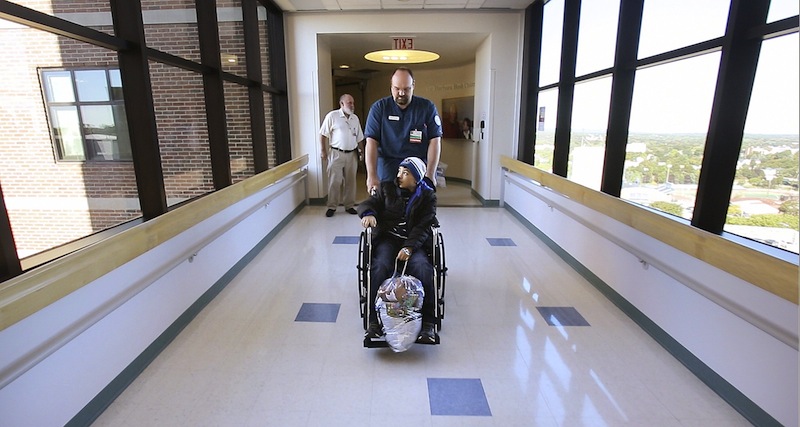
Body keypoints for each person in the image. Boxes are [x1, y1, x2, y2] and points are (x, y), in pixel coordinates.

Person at [357, 156, 437, 344]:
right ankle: (374, 322)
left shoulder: (427, 196)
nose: (399, 176)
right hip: (388, 239)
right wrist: (368, 214)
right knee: (380, 266)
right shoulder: (387, 188)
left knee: (423, 268)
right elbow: (369, 203)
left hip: (413, 242)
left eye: (405, 173)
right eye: (399, 171)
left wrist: (409, 247)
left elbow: (424, 226)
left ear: (416, 179)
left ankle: (428, 323)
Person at [364, 67, 442, 195]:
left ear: (413, 85)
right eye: (397, 89)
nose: (401, 93)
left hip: (416, 167)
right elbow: (371, 142)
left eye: (406, 89)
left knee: (417, 208)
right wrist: (371, 175)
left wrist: (430, 174)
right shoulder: (379, 108)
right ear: (391, 86)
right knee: (388, 207)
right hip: (388, 167)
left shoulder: (426, 107)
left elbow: (435, 140)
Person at [319, 94, 365, 217]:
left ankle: (349, 205)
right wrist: (323, 151)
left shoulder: (355, 118)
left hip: (352, 154)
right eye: (349, 103)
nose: (352, 105)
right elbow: (323, 134)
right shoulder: (332, 116)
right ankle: (332, 206)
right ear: (342, 104)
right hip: (336, 154)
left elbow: (360, 137)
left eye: (353, 103)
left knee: (351, 182)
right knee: (335, 181)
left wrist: (362, 151)